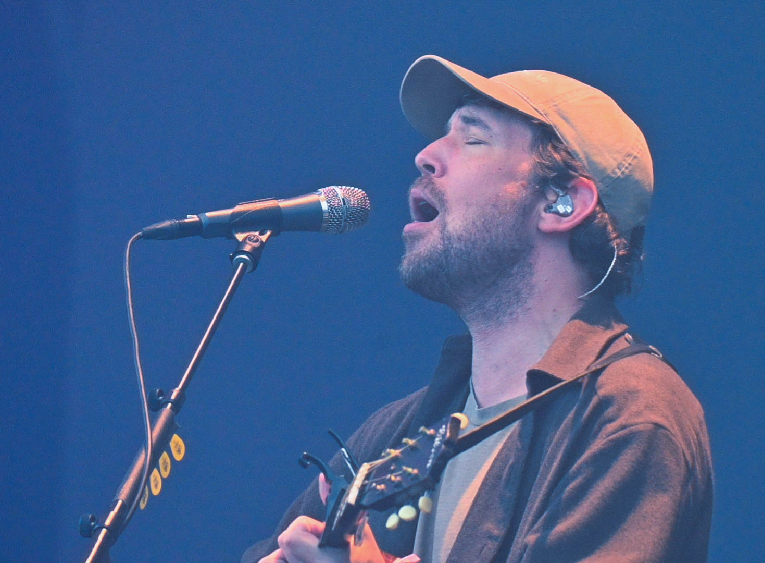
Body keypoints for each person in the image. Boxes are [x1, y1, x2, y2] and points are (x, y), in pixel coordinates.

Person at [242, 55, 713, 563]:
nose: (425, 156)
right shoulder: (401, 428)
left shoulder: (630, 418)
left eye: (472, 139)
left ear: (562, 202)